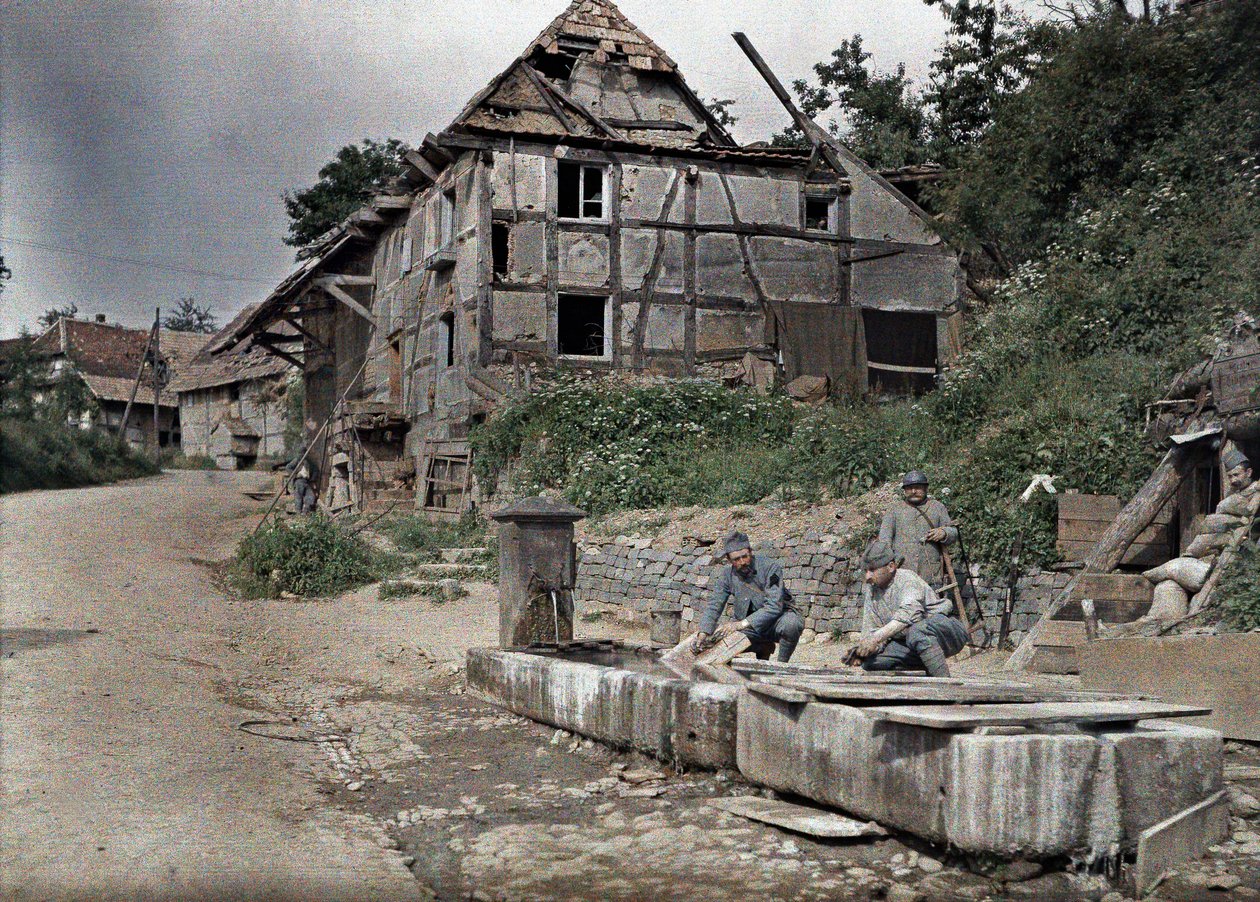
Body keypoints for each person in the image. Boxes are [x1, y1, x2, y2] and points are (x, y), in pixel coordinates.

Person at [852, 539, 968, 677]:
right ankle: (929, 663)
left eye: (872, 570)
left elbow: (909, 615)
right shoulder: (872, 591)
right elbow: (872, 631)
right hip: (914, 642)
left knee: (917, 630)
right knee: (870, 661)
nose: (867, 577)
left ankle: (944, 684)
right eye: (865, 571)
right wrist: (865, 649)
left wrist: (875, 638)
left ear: (890, 567)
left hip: (947, 631)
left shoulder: (907, 579)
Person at [693, 531, 804, 663]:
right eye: (736, 559)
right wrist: (704, 632)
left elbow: (774, 606)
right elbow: (714, 605)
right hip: (749, 627)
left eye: (745, 556)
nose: (742, 562)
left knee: (791, 624)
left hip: (776, 621)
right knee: (715, 641)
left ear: (750, 552)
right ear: (729, 560)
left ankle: (781, 665)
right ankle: (762, 647)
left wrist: (740, 624)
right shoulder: (727, 575)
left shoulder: (770, 568)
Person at [877, 470, 958, 588]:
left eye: (918, 488)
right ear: (904, 491)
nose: (913, 491)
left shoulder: (937, 507)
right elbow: (884, 541)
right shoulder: (894, 510)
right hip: (902, 575)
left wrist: (944, 533)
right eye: (909, 488)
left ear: (925, 488)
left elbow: (953, 532)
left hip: (931, 574)